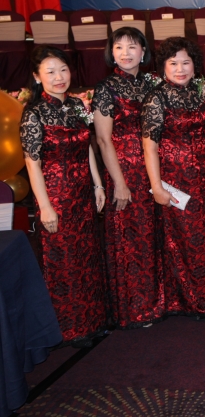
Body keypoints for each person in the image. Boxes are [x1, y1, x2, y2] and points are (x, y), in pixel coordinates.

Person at [20, 46, 107, 346]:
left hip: (83, 192)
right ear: (37, 77)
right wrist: (44, 207)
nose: (59, 77)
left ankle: (93, 319)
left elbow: (87, 147)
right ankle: (71, 327)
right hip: (56, 195)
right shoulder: (34, 114)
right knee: (65, 262)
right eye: (50, 72)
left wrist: (98, 185)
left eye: (63, 70)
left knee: (87, 256)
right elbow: (32, 164)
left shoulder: (77, 105)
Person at [142, 37, 205, 319]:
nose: (180, 69)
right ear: (163, 66)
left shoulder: (203, 93)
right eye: (173, 63)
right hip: (175, 181)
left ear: (194, 65)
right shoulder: (156, 98)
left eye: (186, 63)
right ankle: (187, 300)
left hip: (204, 180)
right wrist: (156, 186)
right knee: (182, 241)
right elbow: (149, 147)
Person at [94, 27, 164, 329]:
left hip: (154, 169)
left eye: (132, 46)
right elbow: (103, 140)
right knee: (131, 240)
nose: (126, 53)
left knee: (153, 236)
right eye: (119, 47)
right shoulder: (106, 88)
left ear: (143, 51)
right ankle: (135, 308)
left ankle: (157, 300)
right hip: (125, 172)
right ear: (111, 52)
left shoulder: (152, 83)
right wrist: (120, 183)